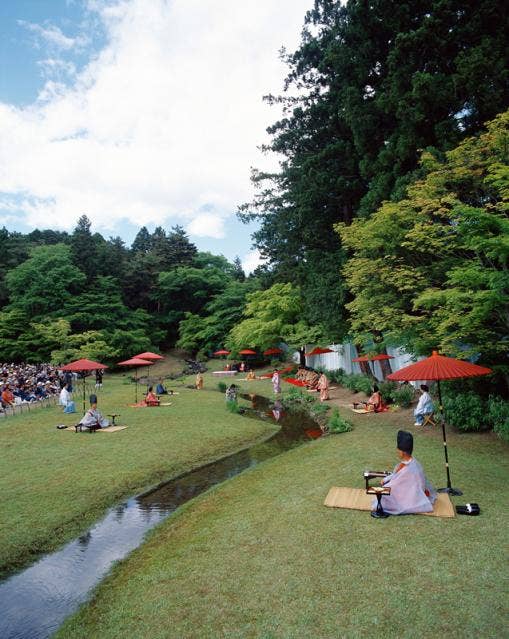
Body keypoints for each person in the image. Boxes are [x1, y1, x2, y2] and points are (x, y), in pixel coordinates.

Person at [375, 430, 437, 515]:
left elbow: (394, 485)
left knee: (383, 497)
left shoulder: (407, 469)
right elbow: (396, 475)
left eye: (398, 449)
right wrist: (386, 479)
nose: (396, 451)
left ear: (403, 452)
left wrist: (385, 485)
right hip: (414, 490)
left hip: (412, 495)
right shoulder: (413, 461)